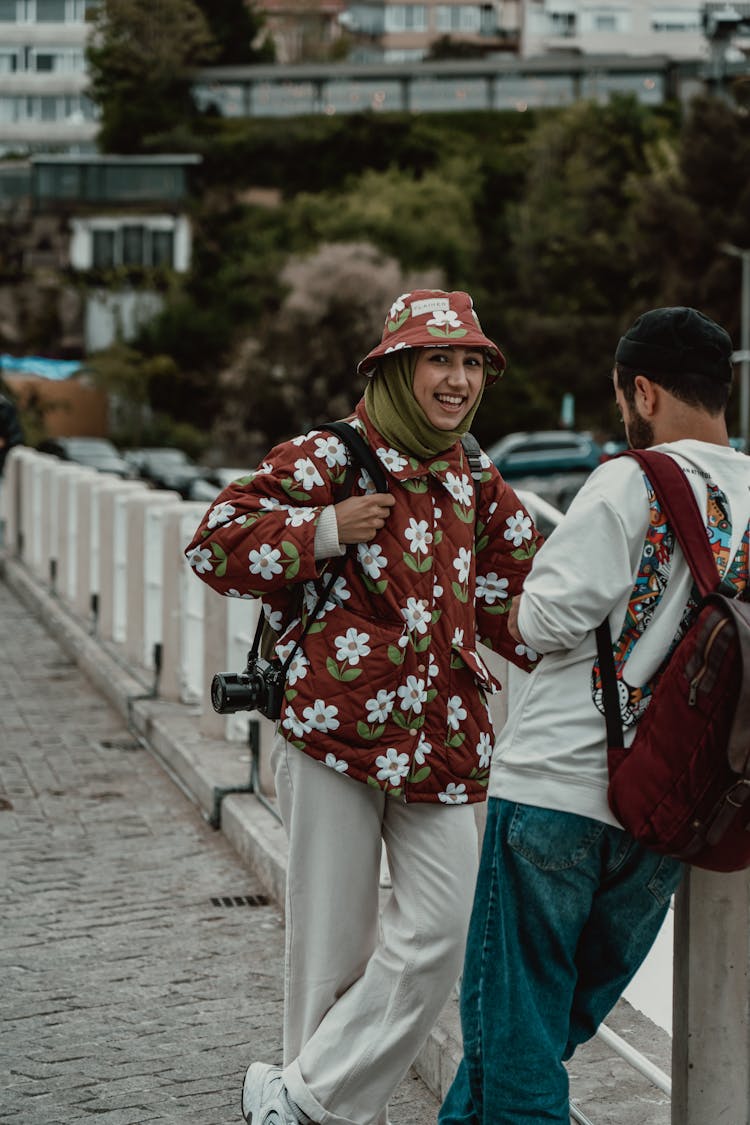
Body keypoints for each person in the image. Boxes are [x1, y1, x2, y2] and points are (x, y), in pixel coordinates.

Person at [184, 288, 543, 1125]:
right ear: (394, 367)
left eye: (470, 363)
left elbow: (519, 594)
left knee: (441, 932)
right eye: (438, 360)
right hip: (334, 734)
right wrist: (322, 528)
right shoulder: (330, 456)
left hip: (444, 739)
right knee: (332, 952)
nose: (457, 380)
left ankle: (299, 1099)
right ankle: (329, 1116)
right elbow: (212, 540)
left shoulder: (474, 473)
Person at [439, 306, 750, 1125]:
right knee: (527, 1036)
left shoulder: (629, 478)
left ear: (641, 390)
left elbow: (540, 624)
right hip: (669, 812)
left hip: (558, 790)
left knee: (514, 1040)